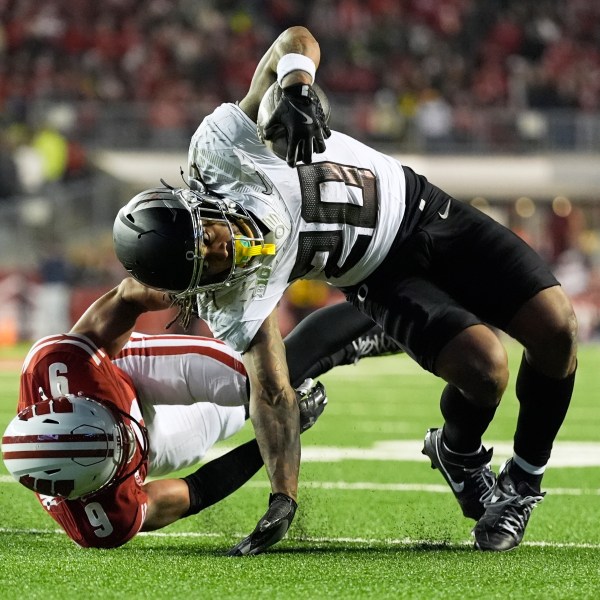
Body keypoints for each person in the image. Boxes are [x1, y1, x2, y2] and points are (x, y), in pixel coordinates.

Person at [112, 26, 578, 554]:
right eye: (206, 266)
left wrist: (295, 87)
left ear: (199, 205)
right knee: (485, 369)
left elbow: (295, 40)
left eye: (209, 239)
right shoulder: (231, 301)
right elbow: (272, 391)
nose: (222, 252)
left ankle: (523, 480)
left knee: (557, 327)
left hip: (420, 207)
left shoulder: (220, 153)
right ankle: (459, 453)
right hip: (375, 276)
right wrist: (283, 494)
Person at [2, 276, 398, 550]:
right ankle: (353, 346)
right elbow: (195, 491)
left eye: (111, 434)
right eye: (116, 453)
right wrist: (268, 440)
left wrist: (193, 288)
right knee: (263, 403)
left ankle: (397, 304)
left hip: (123, 374)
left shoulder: (60, 364)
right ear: (90, 487)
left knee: (262, 377)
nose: (125, 440)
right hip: (157, 448)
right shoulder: (101, 520)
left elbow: (128, 296)